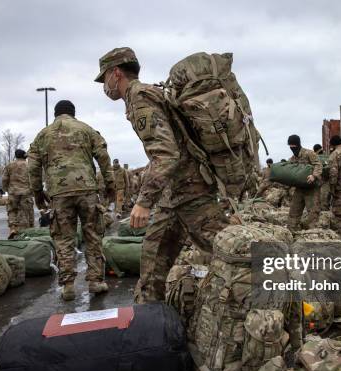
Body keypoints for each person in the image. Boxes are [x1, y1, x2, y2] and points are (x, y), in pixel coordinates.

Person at [94, 47, 229, 303]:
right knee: (153, 255)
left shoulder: (140, 98)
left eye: (104, 79)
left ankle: (283, 287)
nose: (105, 86)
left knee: (227, 249)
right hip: (175, 193)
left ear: (116, 73)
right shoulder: (146, 95)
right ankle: (148, 317)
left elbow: (166, 154)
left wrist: (144, 202)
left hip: (190, 190)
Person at [28, 100, 115, 300]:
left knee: (64, 238)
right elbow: (103, 157)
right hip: (87, 189)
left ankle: (68, 285)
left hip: (59, 193)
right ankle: (95, 281)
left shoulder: (43, 135)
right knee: (93, 234)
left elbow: (32, 167)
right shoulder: (86, 130)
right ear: (74, 113)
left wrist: (38, 194)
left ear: (56, 113)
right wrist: (110, 185)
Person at [287, 135, 322, 231]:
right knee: (294, 212)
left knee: (313, 214)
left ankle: (313, 236)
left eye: (294, 146)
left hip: (311, 189)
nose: (292, 148)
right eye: (290, 146)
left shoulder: (309, 153)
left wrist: (313, 176)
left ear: (298, 144)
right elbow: (288, 169)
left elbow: (318, 165)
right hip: (299, 189)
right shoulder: (292, 158)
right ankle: (291, 233)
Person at [2, 149, 34, 237]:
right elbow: (33, 179)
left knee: (12, 210)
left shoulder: (10, 165)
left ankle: (13, 228)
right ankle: (25, 232)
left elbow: (4, 179)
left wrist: (6, 189)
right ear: (25, 156)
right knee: (25, 212)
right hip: (26, 193)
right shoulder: (29, 166)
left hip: (13, 192)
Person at [313, 143, 331, 210]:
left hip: (318, 180)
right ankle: (325, 208)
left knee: (319, 197)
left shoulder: (315, 158)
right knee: (326, 197)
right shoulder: (328, 157)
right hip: (328, 180)